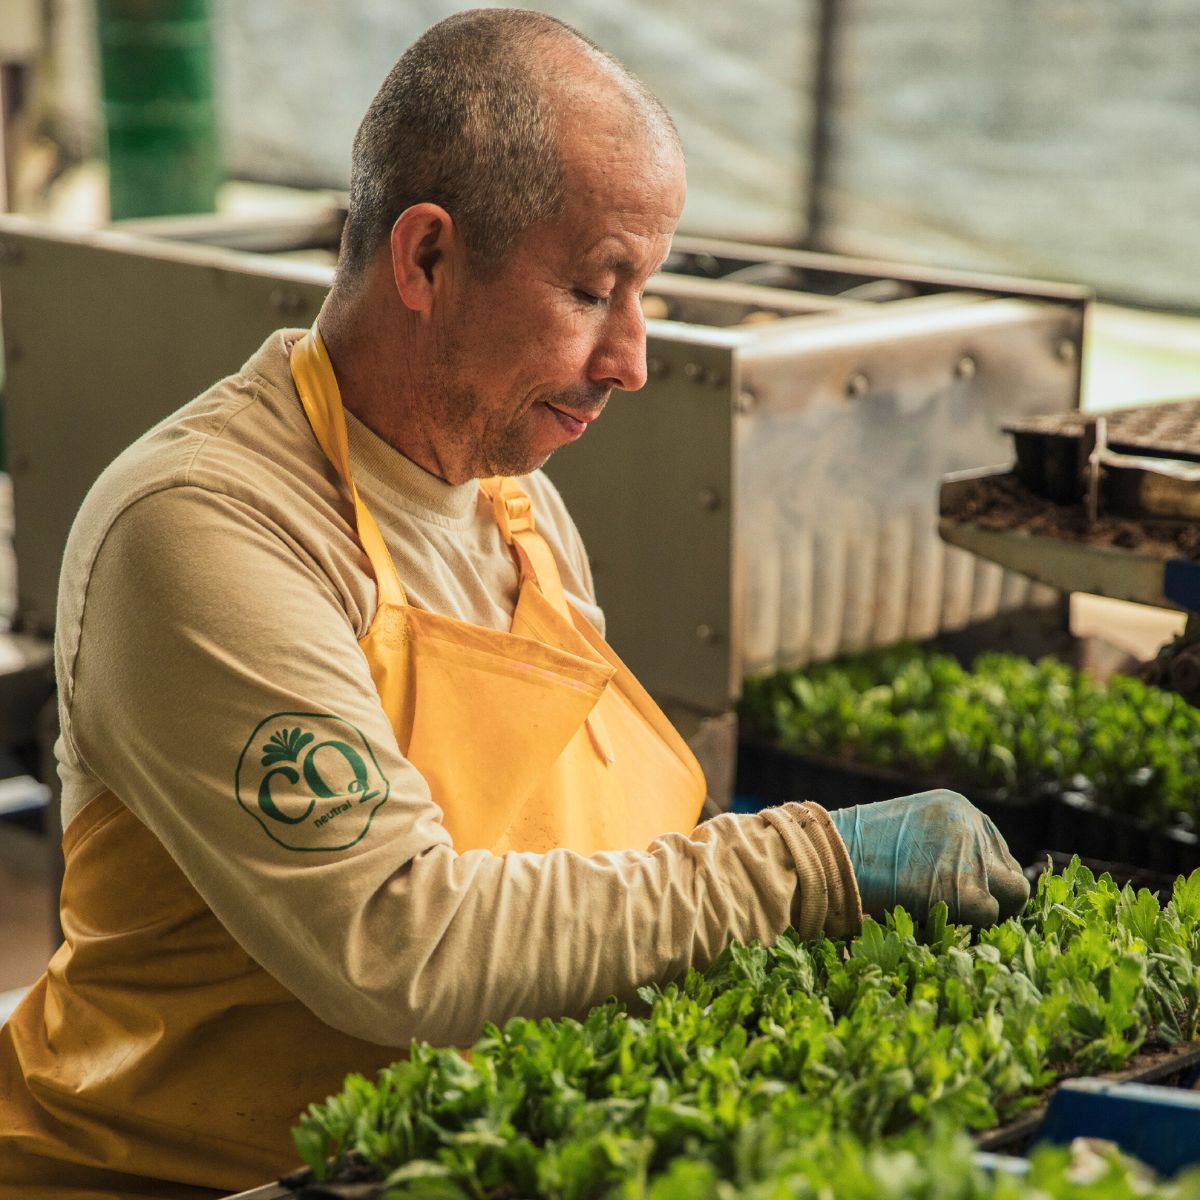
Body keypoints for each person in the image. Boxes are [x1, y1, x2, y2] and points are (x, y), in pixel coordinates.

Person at [0, 10, 1028, 1198]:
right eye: (596, 290)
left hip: (442, 1153)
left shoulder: (515, 508)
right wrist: (805, 866)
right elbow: (401, 942)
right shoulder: (206, 527)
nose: (633, 358)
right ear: (426, 258)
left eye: (645, 292)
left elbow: (591, 869)